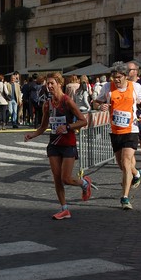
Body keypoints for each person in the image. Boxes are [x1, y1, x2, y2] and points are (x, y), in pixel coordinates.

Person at [24, 72, 92, 220]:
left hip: (68, 144)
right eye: (47, 84)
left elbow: (83, 121)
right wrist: (32, 135)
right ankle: (64, 209)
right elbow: (43, 127)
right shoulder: (47, 104)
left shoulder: (67, 101)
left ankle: (84, 183)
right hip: (54, 144)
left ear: (59, 84)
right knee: (57, 178)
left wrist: (67, 127)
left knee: (66, 178)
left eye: (51, 83)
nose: (49, 86)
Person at [93, 61, 141, 210]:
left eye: (118, 77)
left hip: (131, 129)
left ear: (125, 76)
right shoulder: (107, 87)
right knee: (121, 165)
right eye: (114, 77)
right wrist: (100, 106)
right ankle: (137, 173)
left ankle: (124, 197)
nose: (116, 80)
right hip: (115, 131)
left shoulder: (135, 87)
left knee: (125, 162)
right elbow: (96, 102)